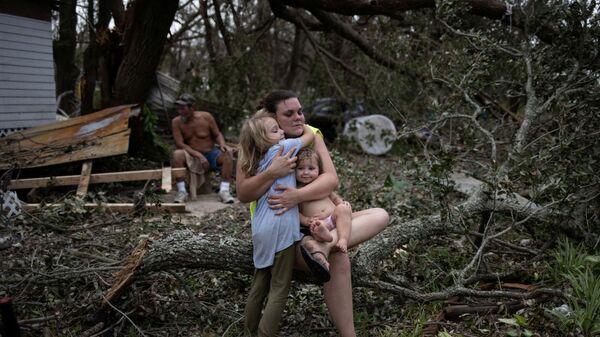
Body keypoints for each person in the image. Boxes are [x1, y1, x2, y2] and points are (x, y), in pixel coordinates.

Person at [236, 90, 389, 337]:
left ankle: (324, 246)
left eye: (300, 111)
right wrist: (271, 173)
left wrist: (297, 196)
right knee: (340, 259)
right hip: (288, 234)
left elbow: (331, 180)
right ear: (272, 118)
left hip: (325, 226)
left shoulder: (311, 134)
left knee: (380, 214)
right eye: (289, 113)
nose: (298, 117)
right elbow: (243, 193)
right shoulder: (256, 138)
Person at [238, 115, 318, 337]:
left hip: (261, 228)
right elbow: (309, 136)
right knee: (280, 287)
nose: (281, 132)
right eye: (275, 130)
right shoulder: (283, 148)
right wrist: (306, 126)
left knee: (260, 284)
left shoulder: (258, 161)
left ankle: (248, 332)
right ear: (263, 139)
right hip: (279, 227)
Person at [171, 93, 235, 204]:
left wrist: (222, 144)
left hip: (210, 153)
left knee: (228, 153)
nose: (179, 111)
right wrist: (198, 155)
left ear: (192, 107)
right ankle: (182, 191)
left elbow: (217, 134)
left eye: (183, 108)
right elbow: (180, 144)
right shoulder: (176, 122)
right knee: (177, 154)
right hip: (191, 156)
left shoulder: (206, 117)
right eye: (178, 108)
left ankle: (224, 190)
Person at [296, 147, 352, 253]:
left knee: (343, 209)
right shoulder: (296, 190)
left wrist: (341, 203)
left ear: (319, 170)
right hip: (319, 221)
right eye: (300, 168)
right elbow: (295, 211)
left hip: (333, 216)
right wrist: (305, 220)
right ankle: (324, 235)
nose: (306, 172)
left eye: (311, 168)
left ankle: (343, 239)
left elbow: (334, 198)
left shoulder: (321, 184)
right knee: (316, 228)